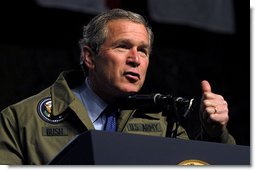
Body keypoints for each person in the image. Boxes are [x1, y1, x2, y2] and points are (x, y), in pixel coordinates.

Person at [0, 8, 235, 165]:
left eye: (143, 50)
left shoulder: (163, 122)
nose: (135, 59)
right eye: (123, 46)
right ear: (89, 57)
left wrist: (215, 135)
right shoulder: (20, 120)